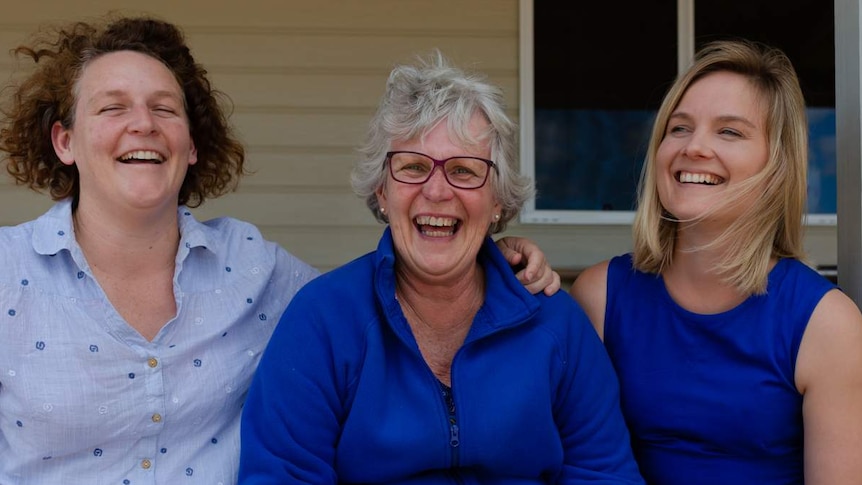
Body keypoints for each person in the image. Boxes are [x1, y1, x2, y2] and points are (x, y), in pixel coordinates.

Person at [0, 16, 560, 485]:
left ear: (192, 144)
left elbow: (391, 291)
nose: (143, 124)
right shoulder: (7, 273)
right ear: (64, 140)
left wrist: (489, 252)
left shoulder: (254, 267)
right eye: (112, 108)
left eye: (165, 109)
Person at [238, 51, 645, 484]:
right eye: (412, 167)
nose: (436, 191)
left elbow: (604, 473)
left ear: (498, 202)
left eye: (464, 171)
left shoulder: (556, 325)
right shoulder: (322, 320)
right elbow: (281, 475)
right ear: (382, 191)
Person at [570, 39, 862, 484]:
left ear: (777, 165)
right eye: (679, 128)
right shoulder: (599, 297)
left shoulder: (828, 325)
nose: (695, 148)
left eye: (730, 131)